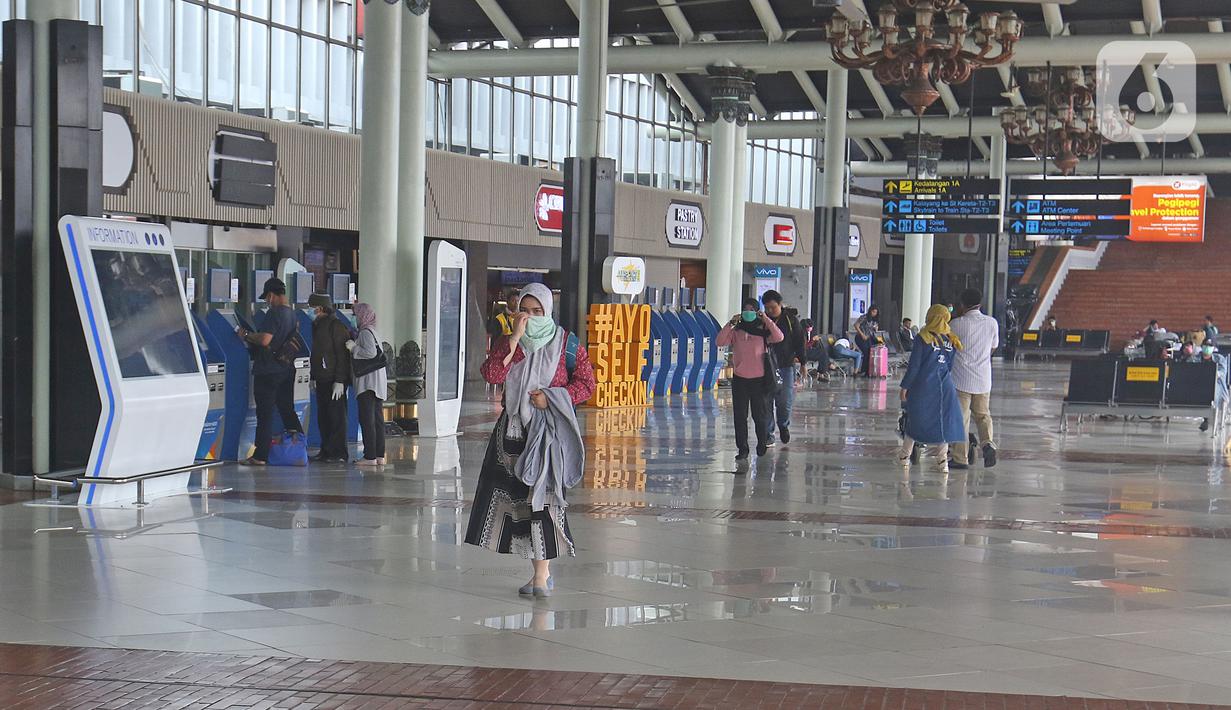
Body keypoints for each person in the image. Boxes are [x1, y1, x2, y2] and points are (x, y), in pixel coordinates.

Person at [466, 283, 595, 598]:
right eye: (525, 310)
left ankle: (542, 575)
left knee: (544, 501)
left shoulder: (567, 343)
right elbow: (493, 375)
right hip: (510, 435)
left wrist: (551, 398)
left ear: (548, 311)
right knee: (519, 505)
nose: (531, 318)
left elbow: (588, 383)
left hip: (547, 435)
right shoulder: (511, 344)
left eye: (538, 312)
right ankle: (539, 571)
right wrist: (512, 340)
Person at [238, 277, 305, 465]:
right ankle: (299, 446)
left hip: (268, 371)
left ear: (271, 295)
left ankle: (260, 456)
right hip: (287, 368)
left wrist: (247, 335)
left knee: (265, 414)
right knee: (287, 409)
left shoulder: (274, 313)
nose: (267, 302)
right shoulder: (293, 314)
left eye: (267, 298)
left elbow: (265, 340)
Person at [898, 304, 966, 473]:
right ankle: (943, 462)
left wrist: (905, 386)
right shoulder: (951, 339)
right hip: (945, 386)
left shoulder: (923, 337)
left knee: (916, 420)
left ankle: (904, 457)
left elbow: (914, 367)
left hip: (923, 386)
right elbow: (949, 366)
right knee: (942, 422)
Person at [716, 297, 784, 461]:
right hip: (740, 379)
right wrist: (731, 323)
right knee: (739, 416)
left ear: (756, 311)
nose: (748, 312)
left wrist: (765, 319)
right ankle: (743, 449)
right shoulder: (736, 331)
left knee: (759, 416)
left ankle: (762, 442)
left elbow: (779, 336)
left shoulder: (763, 331)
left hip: (759, 380)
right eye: (745, 309)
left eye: (751, 309)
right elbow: (719, 341)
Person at [948, 289, 1000, 469]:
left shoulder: (955, 324)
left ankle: (960, 458)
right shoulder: (992, 323)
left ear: (962, 304)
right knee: (983, 415)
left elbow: (950, 349)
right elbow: (993, 348)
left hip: (961, 379)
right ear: (980, 304)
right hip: (983, 378)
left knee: (961, 419)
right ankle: (988, 444)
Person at [307, 293, 352, 463]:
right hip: (321, 379)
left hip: (334, 379)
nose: (309, 310)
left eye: (311, 307)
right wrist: (313, 376)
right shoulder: (317, 325)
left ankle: (339, 453)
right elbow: (317, 354)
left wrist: (340, 380)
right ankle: (326, 450)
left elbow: (342, 355)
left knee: (337, 417)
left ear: (320, 308)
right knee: (324, 417)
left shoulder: (336, 326)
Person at [761, 290, 805, 446]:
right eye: (767, 308)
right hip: (766, 367)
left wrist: (803, 363)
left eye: (773, 307)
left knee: (784, 401)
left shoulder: (791, 320)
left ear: (780, 304)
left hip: (786, 366)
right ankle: (768, 434)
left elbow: (800, 342)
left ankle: (783, 425)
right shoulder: (762, 321)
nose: (770, 311)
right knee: (766, 402)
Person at [347, 303, 388, 466]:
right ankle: (379, 455)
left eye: (355, 314)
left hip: (368, 383)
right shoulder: (373, 330)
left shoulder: (364, 333)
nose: (354, 318)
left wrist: (353, 348)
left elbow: (370, 353)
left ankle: (369, 456)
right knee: (377, 419)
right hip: (377, 382)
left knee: (367, 419)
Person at [853, 305, 881, 376]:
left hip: (869, 338)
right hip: (861, 337)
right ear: (870, 311)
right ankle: (864, 370)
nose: (874, 314)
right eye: (873, 312)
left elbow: (874, 329)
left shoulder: (874, 320)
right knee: (866, 352)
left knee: (870, 352)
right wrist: (862, 334)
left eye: (875, 312)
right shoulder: (864, 317)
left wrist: (876, 328)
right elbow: (856, 325)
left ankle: (868, 371)